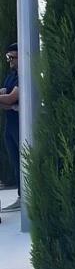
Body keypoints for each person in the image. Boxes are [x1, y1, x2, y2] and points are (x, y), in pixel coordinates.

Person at [0, 44, 20, 212]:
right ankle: (22, 196)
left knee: (23, 161)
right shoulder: (11, 75)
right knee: (15, 161)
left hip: (21, 125)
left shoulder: (24, 75)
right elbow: (5, 96)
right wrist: (7, 100)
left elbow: (12, 97)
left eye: (12, 58)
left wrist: (8, 100)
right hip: (11, 124)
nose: (9, 61)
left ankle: (27, 196)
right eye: (8, 58)